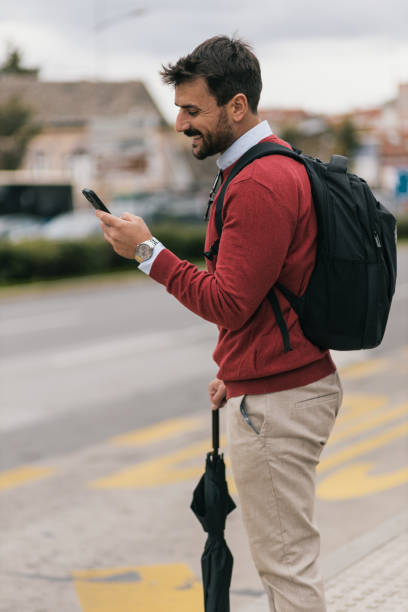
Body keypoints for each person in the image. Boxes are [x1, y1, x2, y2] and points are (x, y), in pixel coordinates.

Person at [95, 35, 343, 612]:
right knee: (287, 561)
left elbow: (229, 301)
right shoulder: (265, 166)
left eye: (192, 110)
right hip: (277, 385)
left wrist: (149, 253)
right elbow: (267, 297)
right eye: (179, 108)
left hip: (280, 400)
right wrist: (236, 369)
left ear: (237, 106)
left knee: (287, 570)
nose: (181, 124)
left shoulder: (259, 182)